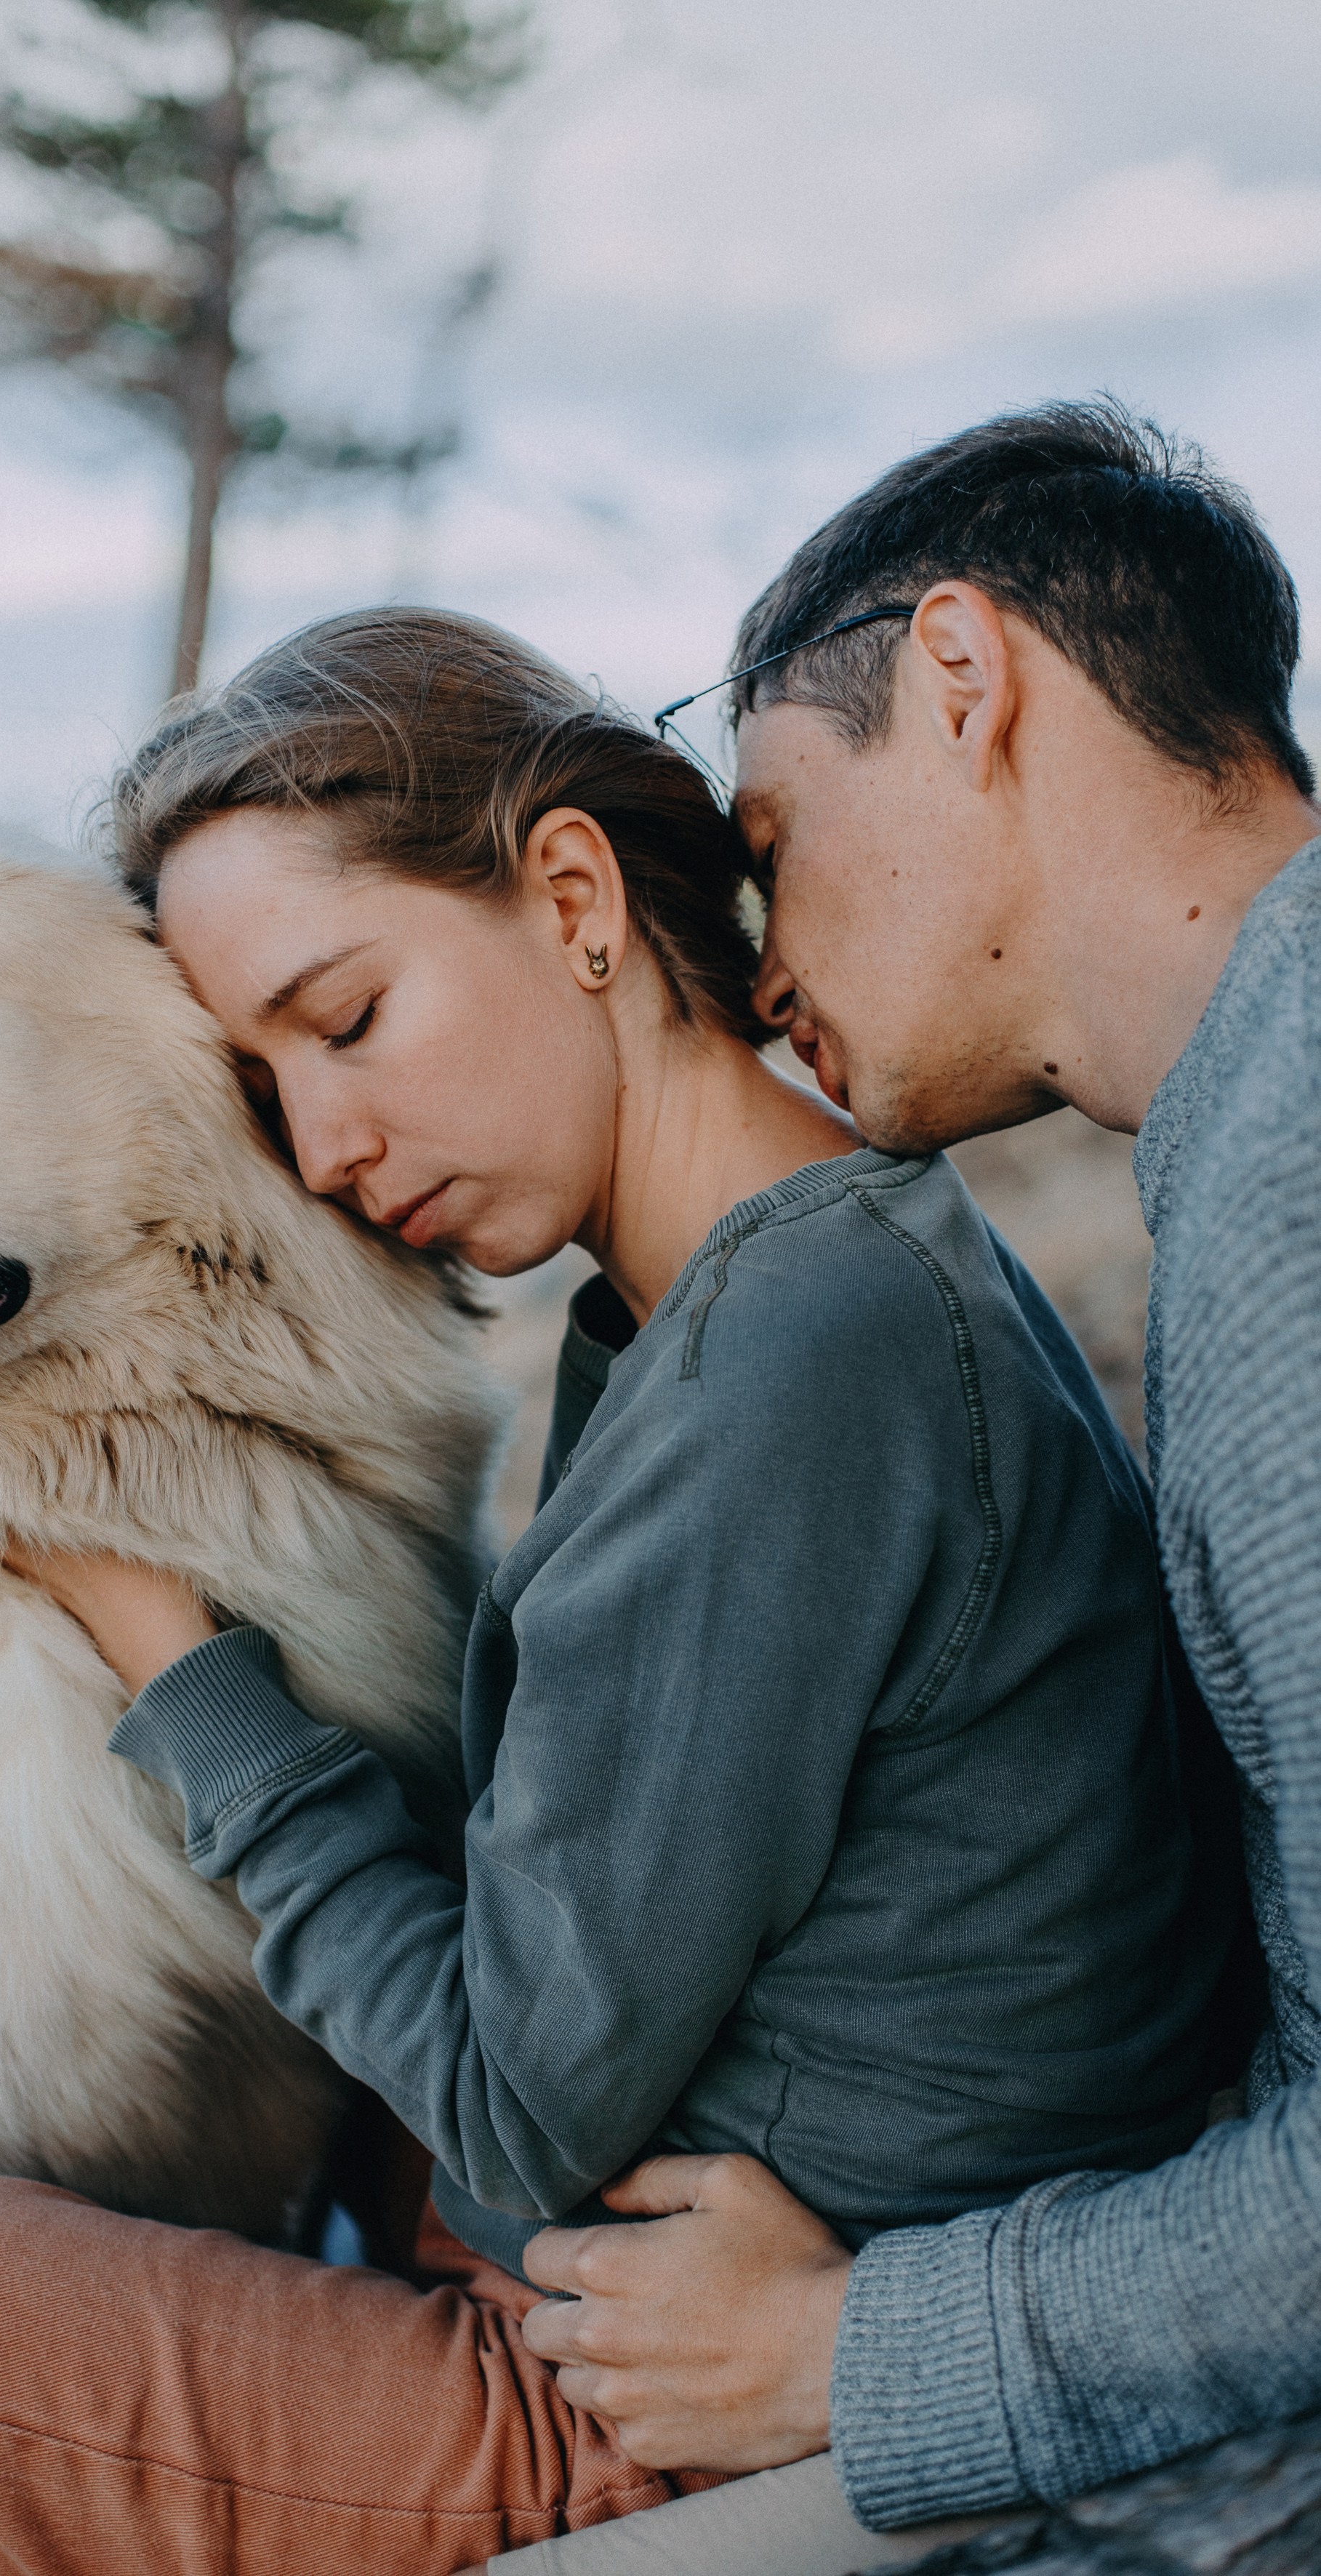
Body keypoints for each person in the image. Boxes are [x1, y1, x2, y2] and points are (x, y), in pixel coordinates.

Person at [0, 604, 1234, 2576]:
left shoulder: (799, 1361)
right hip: (620, 2274)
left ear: (570, 900)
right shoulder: (738, 1305)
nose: (324, 1143)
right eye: (268, 1067)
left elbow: (512, 2113)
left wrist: (168, 1658)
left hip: (612, 2407)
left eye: (350, 1019)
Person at [507, 398, 1321, 2572]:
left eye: (769, 836)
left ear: (960, 681)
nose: (751, 956)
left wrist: (863, 2344)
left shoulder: (1300, 1209)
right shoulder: (1246, 1155)